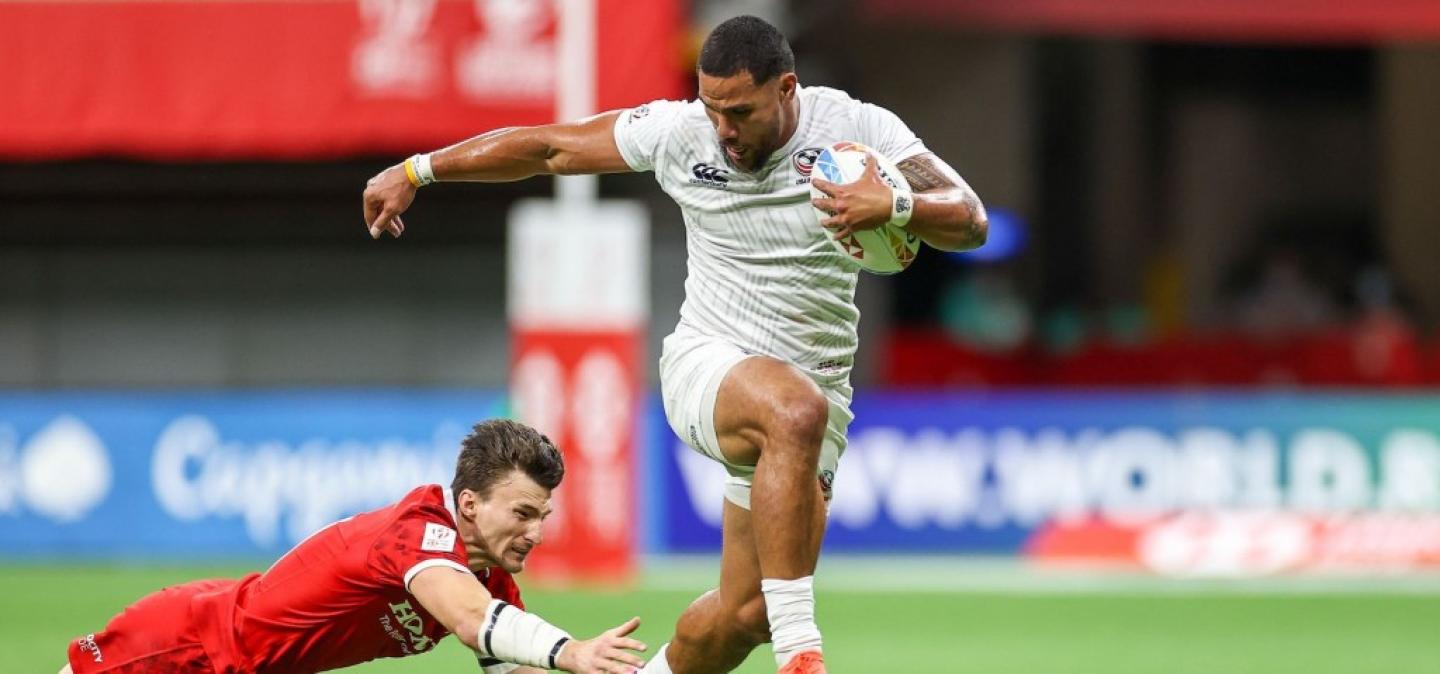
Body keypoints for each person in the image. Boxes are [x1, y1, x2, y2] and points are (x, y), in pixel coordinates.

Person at [361, 15, 987, 674]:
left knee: (747, 615)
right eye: (712, 108)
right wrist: (420, 169)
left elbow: (968, 216)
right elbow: (551, 148)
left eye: (740, 111)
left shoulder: (857, 129)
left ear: (787, 89)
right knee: (792, 412)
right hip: (707, 368)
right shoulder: (678, 133)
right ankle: (804, 658)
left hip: (815, 397)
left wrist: (897, 207)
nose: (722, 129)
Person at [60, 419, 646, 674]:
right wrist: (572, 652)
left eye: (542, 516)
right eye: (522, 513)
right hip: (188, 648)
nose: (536, 534)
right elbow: (470, 623)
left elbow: (498, 643)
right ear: (469, 504)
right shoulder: (419, 532)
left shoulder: (491, 586)